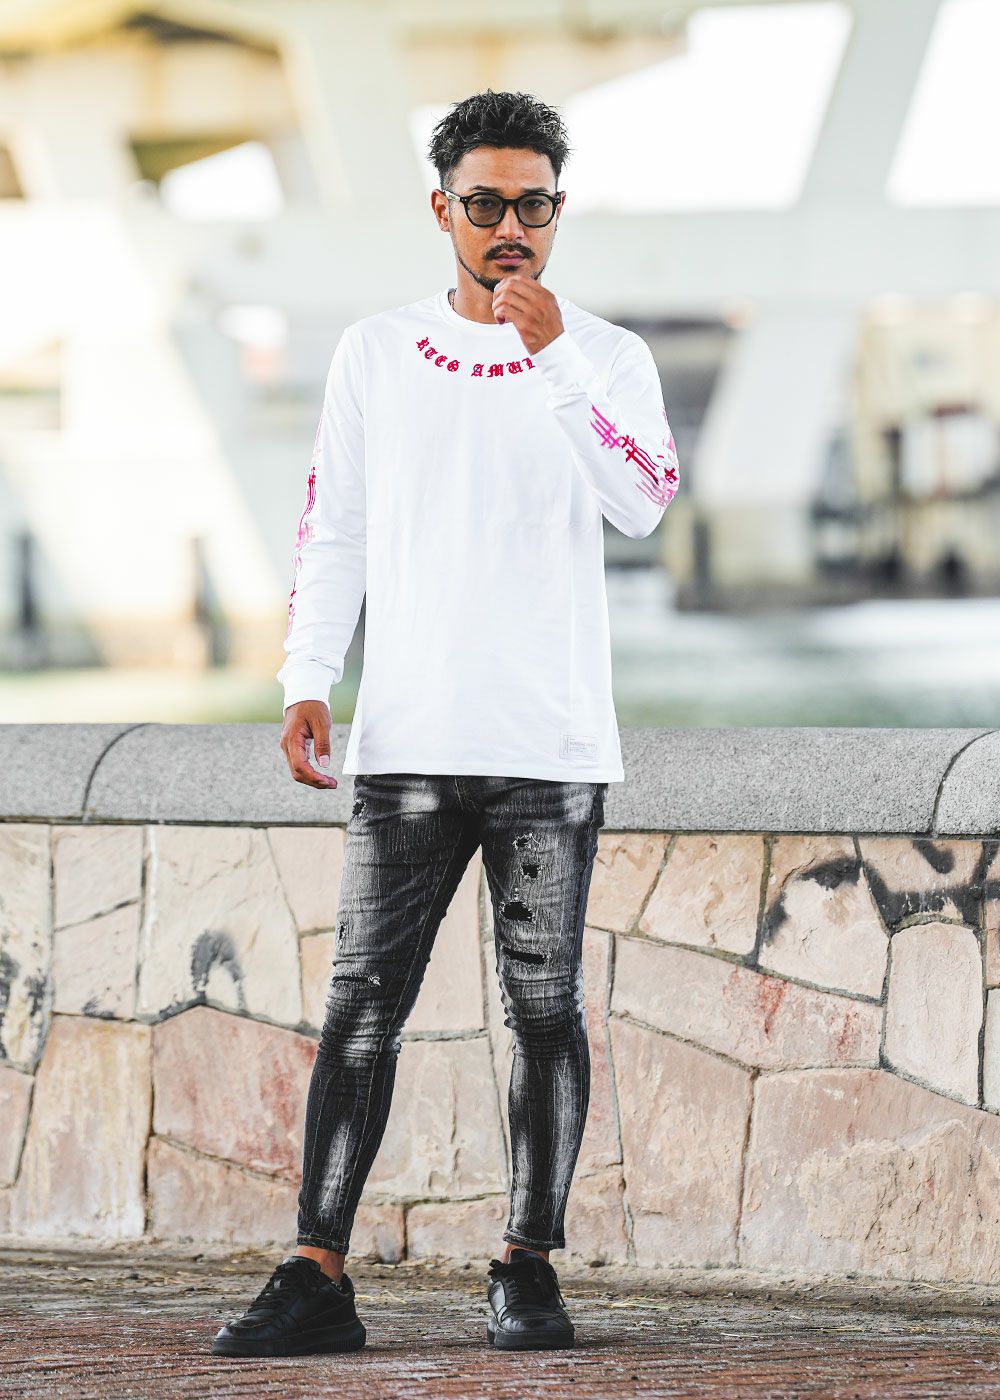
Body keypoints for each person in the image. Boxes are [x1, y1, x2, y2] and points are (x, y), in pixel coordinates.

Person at [212, 87, 680, 1360]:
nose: (509, 227)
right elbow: (336, 526)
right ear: (442, 210)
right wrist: (307, 674)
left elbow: (641, 502)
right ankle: (316, 1272)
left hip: (549, 741)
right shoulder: (376, 350)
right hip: (409, 738)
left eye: (533, 204)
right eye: (485, 204)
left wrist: (555, 358)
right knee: (361, 1007)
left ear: (557, 211)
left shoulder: (606, 355)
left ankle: (526, 1265)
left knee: (544, 1010)